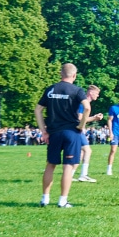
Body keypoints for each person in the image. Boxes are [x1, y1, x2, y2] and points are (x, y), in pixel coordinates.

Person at [35, 63, 90, 208]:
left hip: (53, 132)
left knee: (50, 165)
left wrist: (43, 131)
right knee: (68, 167)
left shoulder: (51, 89)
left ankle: (44, 198)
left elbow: (38, 110)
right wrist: (82, 125)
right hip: (72, 132)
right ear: (74, 75)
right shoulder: (77, 90)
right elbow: (87, 107)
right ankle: (62, 200)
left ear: (61, 74)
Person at [76, 85, 103, 182]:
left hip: (78, 130)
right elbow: (79, 118)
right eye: (97, 93)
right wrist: (94, 118)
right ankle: (83, 175)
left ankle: (71, 175)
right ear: (91, 93)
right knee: (87, 151)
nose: (98, 96)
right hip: (76, 130)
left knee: (81, 153)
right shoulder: (84, 103)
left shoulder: (85, 103)